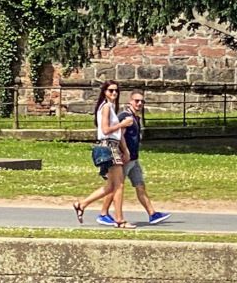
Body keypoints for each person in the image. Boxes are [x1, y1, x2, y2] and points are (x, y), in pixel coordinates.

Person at [71, 81, 135, 228]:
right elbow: (106, 130)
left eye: (116, 91)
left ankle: (82, 204)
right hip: (108, 147)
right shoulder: (106, 107)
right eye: (111, 91)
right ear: (104, 92)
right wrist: (123, 124)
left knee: (112, 186)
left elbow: (116, 134)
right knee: (119, 185)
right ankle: (120, 220)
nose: (114, 93)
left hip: (112, 146)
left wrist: (125, 150)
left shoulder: (110, 108)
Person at [99, 91, 168, 225]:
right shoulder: (125, 116)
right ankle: (103, 213)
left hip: (134, 159)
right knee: (114, 187)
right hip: (125, 159)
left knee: (140, 186)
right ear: (130, 101)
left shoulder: (135, 118)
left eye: (142, 101)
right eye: (137, 101)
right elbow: (118, 135)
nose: (140, 103)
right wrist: (124, 152)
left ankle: (152, 214)